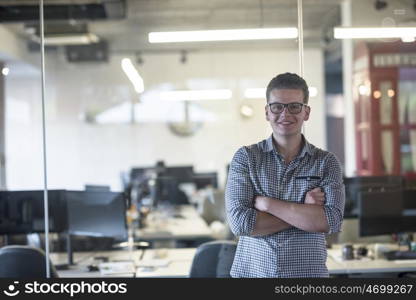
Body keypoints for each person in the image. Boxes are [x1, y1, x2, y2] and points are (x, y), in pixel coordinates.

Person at [225, 72, 345, 278]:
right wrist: (305, 211)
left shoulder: (326, 162)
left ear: (306, 112)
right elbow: (241, 224)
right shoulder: (246, 158)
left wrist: (268, 204)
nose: (285, 114)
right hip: (254, 275)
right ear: (267, 112)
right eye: (277, 106)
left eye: (294, 106)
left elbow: (331, 221)